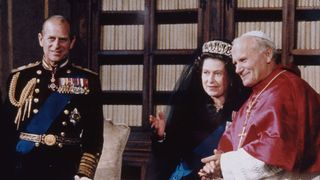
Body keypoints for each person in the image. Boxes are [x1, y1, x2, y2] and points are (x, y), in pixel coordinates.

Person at [199, 31, 320, 179]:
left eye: (243, 60)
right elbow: (231, 143)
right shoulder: (261, 91)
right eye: (235, 63)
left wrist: (223, 166)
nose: (237, 70)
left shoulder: (285, 89)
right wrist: (215, 166)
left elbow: (276, 155)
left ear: (268, 54)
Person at [1, 15, 104, 180]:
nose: (56, 45)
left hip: (66, 169)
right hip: (24, 169)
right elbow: (5, 134)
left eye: (62, 40)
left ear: (72, 42)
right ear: (41, 39)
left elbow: (94, 134)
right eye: (51, 38)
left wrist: (84, 173)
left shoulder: (88, 81)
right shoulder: (19, 78)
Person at [149, 40, 248, 179]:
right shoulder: (188, 108)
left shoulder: (245, 109)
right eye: (206, 73)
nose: (210, 80)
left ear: (230, 77)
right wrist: (161, 136)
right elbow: (169, 156)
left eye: (217, 73)